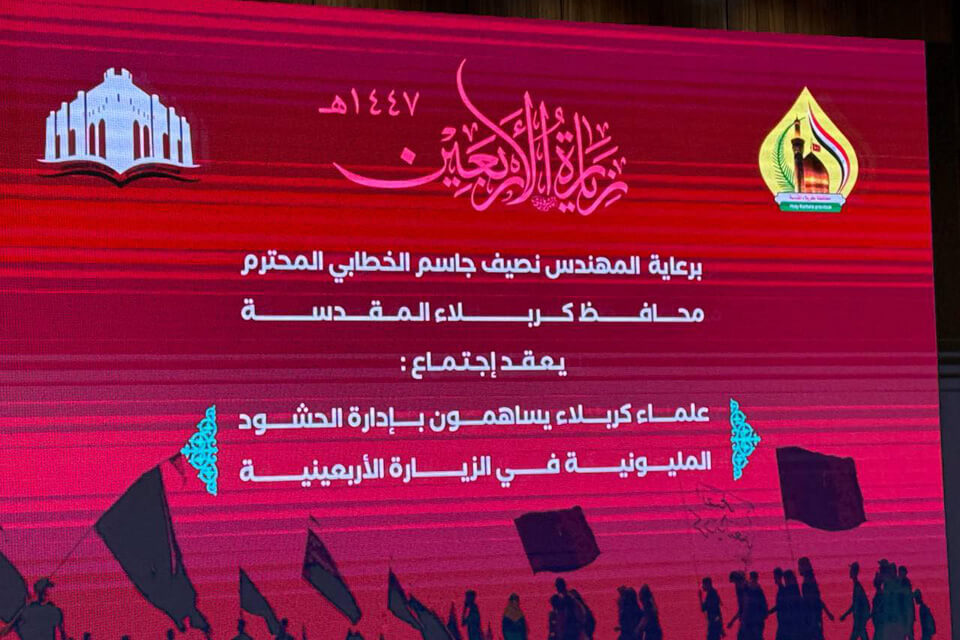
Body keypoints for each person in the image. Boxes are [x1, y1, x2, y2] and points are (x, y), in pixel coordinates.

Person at [798, 557, 833, 640]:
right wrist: (828, 613)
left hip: (812, 615)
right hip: (813, 614)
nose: (799, 568)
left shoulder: (809, 581)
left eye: (800, 566)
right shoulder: (810, 580)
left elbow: (815, 599)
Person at [839, 562, 870, 640]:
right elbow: (855, 604)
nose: (850, 572)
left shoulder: (858, 588)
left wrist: (862, 619)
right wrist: (845, 614)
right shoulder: (857, 586)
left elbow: (860, 604)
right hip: (858, 620)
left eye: (851, 570)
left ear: (854, 572)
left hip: (859, 621)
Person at [726, 571, 747, 640]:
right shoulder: (744, 589)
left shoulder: (743, 592)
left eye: (735, 582)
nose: (735, 585)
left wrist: (732, 621)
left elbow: (742, 608)